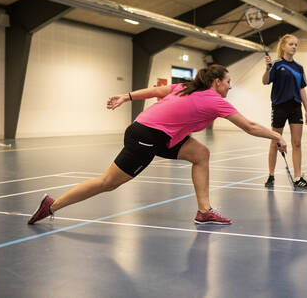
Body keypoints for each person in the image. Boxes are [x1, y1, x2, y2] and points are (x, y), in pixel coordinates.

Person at [28, 64, 287, 226]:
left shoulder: (186, 87)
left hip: (158, 134)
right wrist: (277, 136)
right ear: (217, 82)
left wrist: (126, 96)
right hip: (147, 136)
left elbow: (155, 91)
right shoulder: (213, 99)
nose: (230, 87)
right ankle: (51, 204)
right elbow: (250, 127)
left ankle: (204, 211)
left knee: (201, 153)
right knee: (108, 183)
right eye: (228, 82)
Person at [262, 34, 307, 191]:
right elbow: (265, 81)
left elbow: (302, 89)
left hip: (295, 107)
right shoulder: (276, 64)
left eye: (296, 45)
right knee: (275, 141)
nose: (294, 47)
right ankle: (271, 175)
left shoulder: (299, 68)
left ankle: (298, 178)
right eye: (291, 44)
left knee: (297, 143)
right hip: (279, 107)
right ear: (283, 46)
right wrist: (267, 68)